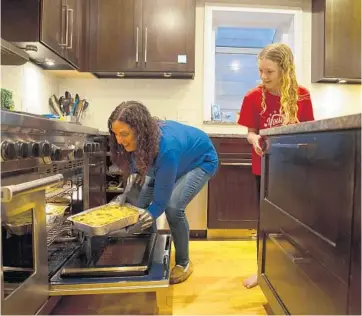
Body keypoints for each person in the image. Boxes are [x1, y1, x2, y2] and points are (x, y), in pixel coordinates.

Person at [107, 101, 219, 284]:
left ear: (140, 132)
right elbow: (137, 175)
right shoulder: (133, 143)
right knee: (137, 204)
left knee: (173, 208)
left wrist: (145, 217)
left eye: (124, 134)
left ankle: (184, 263)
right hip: (171, 164)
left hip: (200, 161)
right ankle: (151, 251)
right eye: (116, 134)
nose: (119, 140)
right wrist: (125, 197)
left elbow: (160, 202)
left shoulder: (167, 148)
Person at [237, 43, 315, 289]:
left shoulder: (301, 95)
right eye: (261, 71)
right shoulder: (252, 97)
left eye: (269, 71)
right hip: (265, 170)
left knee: (293, 223)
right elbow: (250, 133)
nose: (263, 76)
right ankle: (262, 271)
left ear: (285, 69)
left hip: (294, 171)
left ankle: (291, 269)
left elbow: (308, 132)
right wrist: (255, 139)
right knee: (265, 222)